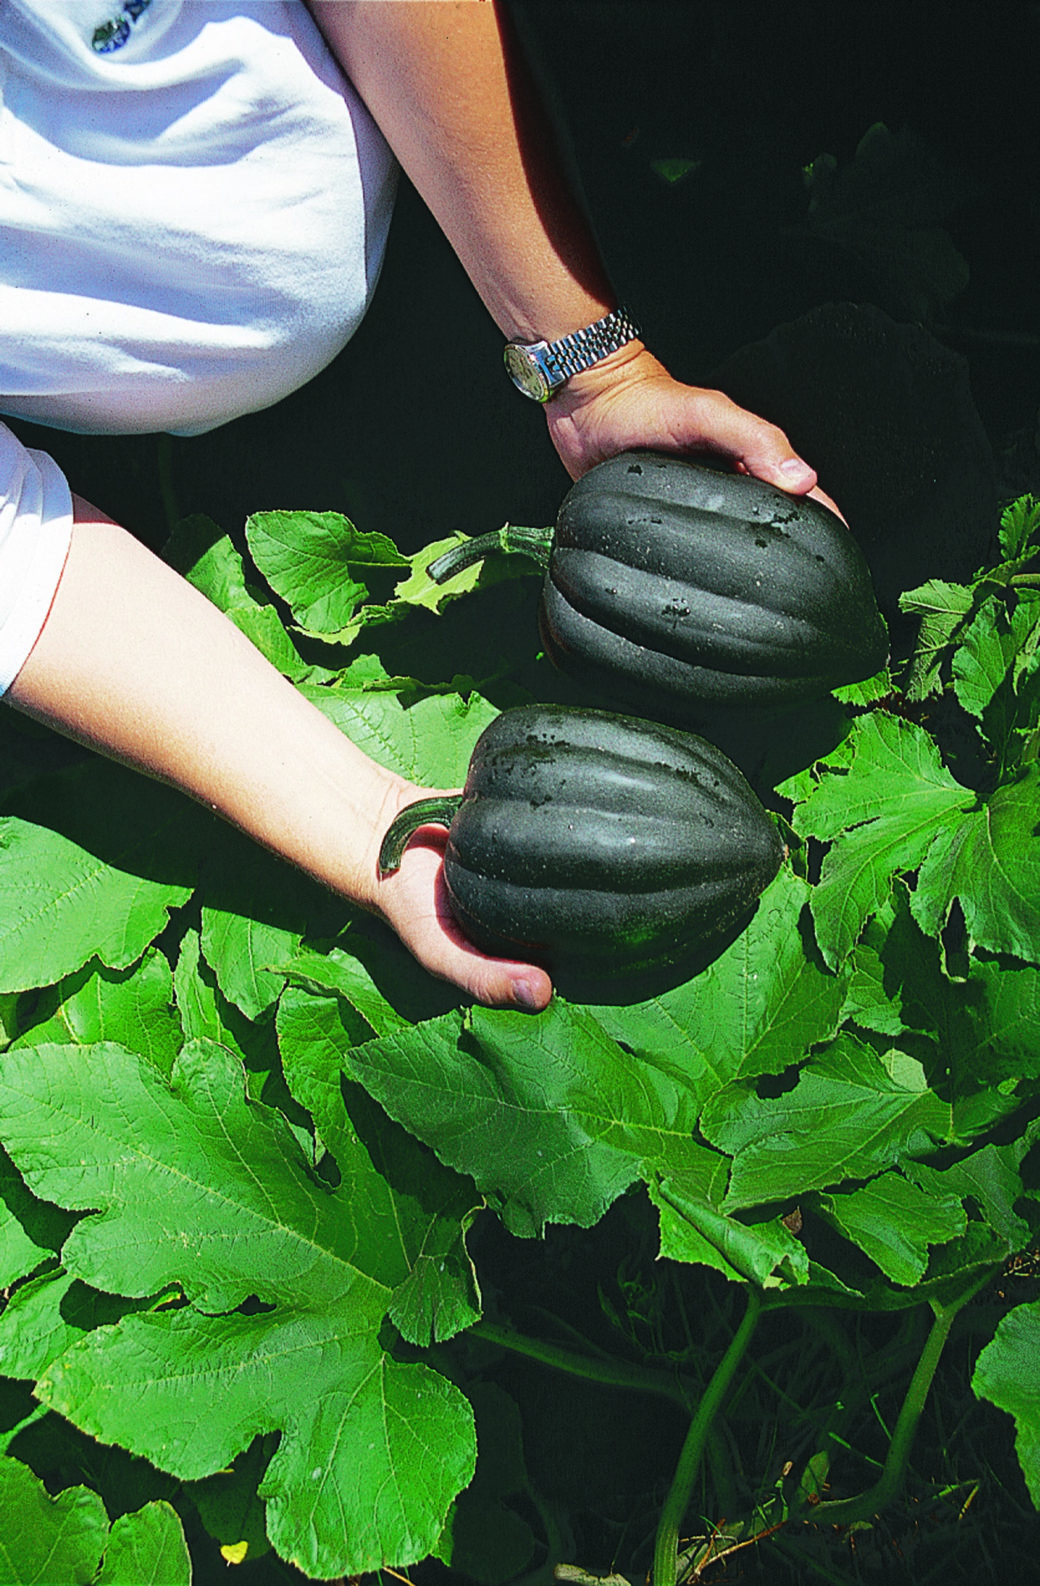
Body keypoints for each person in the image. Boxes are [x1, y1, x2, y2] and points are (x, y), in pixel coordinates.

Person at [0, 0, 823, 1013]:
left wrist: (591, 360)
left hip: (479, 170)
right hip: (188, 459)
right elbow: (16, 560)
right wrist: (369, 821)